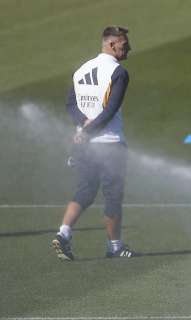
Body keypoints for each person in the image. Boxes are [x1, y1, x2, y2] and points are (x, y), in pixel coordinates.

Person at [52, 26, 134, 261]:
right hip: (110, 145)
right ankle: (115, 247)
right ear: (111, 44)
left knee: (85, 191)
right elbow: (110, 110)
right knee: (113, 196)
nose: (128, 48)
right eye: (124, 44)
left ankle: (63, 234)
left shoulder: (81, 70)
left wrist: (83, 128)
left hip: (84, 145)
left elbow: (70, 105)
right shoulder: (118, 72)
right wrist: (88, 131)